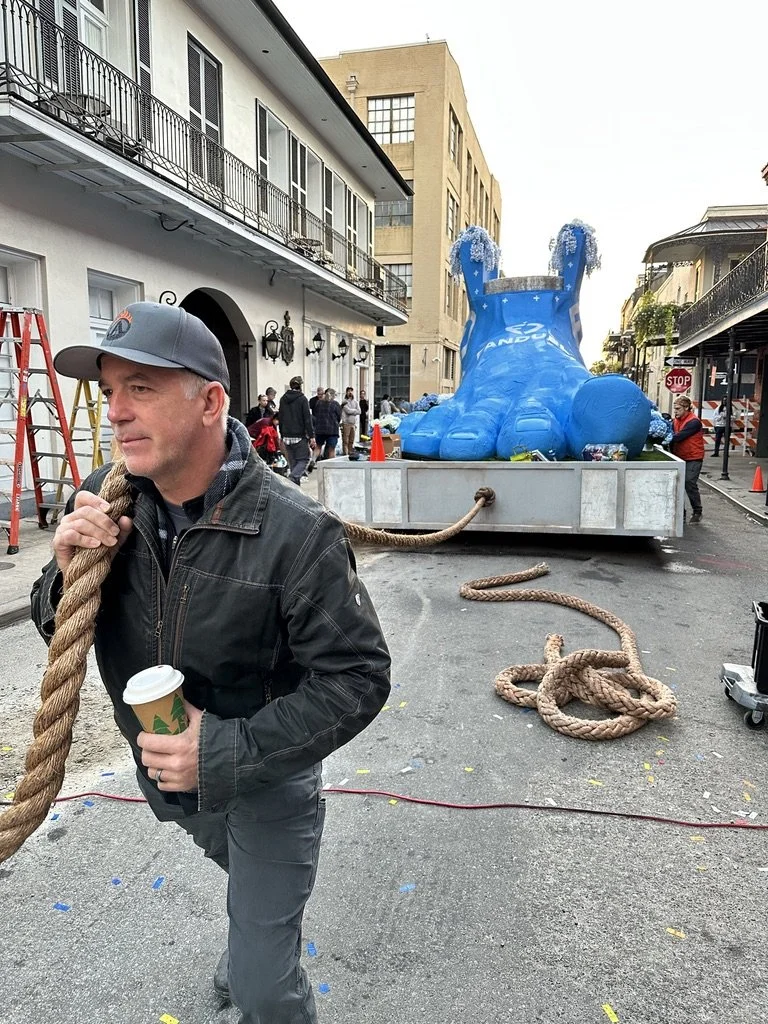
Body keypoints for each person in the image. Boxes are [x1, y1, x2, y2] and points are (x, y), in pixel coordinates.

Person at [30, 301, 391, 1024]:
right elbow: (61, 628)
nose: (118, 413)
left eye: (143, 388)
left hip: (266, 777)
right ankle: (261, 926)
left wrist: (223, 750)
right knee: (254, 895)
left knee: (262, 988)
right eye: (110, 393)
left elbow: (360, 677)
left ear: (210, 401)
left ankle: (262, 951)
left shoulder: (297, 534)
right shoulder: (111, 501)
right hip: (170, 783)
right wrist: (63, 576)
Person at [671, 396, 704, 523]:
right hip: (680, 456)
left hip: (693, 457)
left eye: (678, 409)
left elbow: (679, 437)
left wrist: (667, 437)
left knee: (689, 482)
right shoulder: (676, 420)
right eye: (674, 409)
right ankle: (681, 512)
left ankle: (697, 511)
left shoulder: (693, 422)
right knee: (678, 484)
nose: (676, 411)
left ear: (686, 408)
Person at [277, 376, 315, 485]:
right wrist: (311, 436)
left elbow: (281, 417)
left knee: (293, 464)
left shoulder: (283, 398)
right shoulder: (302, 399)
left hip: (286, 436)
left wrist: (282, 435)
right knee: (304, 459)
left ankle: (294, 490)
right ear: (300, 386)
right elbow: (307, 419)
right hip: (299, 436)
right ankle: (292, 478)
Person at [313, 388, 342, 460]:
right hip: (332, 430)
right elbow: (339, 417)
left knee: (318, 447)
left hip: (320, 429)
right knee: (331, 449)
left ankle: (313, 460)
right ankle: (331, 465)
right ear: (333, 396)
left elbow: (315, 413)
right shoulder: (335, 404)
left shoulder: (319, 403)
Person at [340, 386, 361, 456]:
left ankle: (350, 453)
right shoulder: (344, 402)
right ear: (346, 392)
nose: (350, 392)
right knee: (345, 440)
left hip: (353, 423)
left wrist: (354, 411)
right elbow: (347, 411)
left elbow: (359, 411)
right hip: (346, 423)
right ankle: (345, 454)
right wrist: (355, 410)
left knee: (351, 440)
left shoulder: (356, 402)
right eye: (348, 391)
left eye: (351, 391)